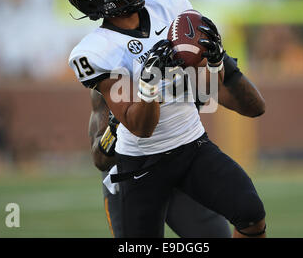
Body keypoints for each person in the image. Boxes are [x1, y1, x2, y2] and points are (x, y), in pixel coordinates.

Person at [65, 0, 266, 238]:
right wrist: (147, 88)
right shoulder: (96, 52)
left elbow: (242, 101)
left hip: (190, 149)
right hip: (137, 166)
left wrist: (216, 60)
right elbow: (104, 156)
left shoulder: (170, 4)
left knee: (249, 213)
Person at [89, 90, 232, 238]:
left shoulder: (186, 68)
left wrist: (215, 70)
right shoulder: (111, 72)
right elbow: (100, 159)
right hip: (131, 174)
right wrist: (115, 129)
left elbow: (248, 102)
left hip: (177, 162)